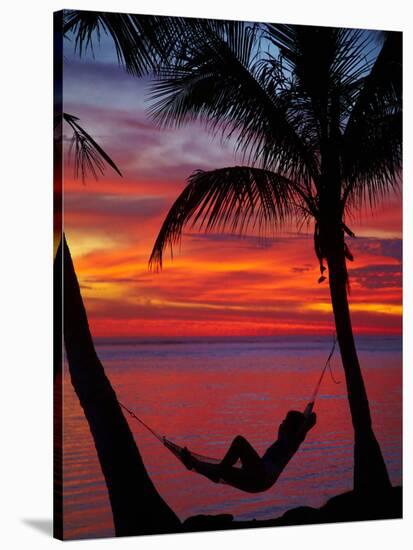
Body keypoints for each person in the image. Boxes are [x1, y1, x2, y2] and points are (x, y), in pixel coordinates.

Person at [180, 410, 317, 493]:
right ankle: (194, 464)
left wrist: (303, 423)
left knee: (239, 442)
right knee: (223, 470)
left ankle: (215, 471)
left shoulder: (292, 442)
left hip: (260, 476)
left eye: (285, 420)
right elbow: (293, 425)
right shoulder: (284, 438)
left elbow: (312, 419)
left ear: (293, 426)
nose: (282, 422)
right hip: (257, 477)